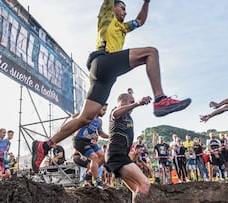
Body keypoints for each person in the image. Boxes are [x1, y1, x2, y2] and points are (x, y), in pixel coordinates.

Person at [31, 0, 191, 173]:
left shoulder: (123, 28)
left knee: (85, 118)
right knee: (151, 53)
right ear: (112, 7)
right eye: (122, 8)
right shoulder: (106, 16)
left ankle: (45, 146)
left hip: (104, 75)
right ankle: (160, 99)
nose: (125, 12)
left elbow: (140, 21)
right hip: (103, 61)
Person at [106, 93, 151, 201]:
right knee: (145, 184)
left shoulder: (128, 115)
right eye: (130, 102)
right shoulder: (116, 113)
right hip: (116, 155)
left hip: (122, 156)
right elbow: (116, 112)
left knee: (137, 188)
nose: (132, 106)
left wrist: (131, 95)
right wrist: (136, 103)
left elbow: (127, 102)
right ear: (122, 102)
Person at [72, 104, 109, 189]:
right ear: (97, 109)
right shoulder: (88, 115)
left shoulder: (99, 121)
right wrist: (80, 115)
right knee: (94, 157)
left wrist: (110, 136)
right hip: (80, 141)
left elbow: (100, 133)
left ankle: (89, 174)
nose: (105, 112)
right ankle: (98, 181)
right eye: (103, 110)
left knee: (103, 157)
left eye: (106, 110)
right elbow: (73, 117)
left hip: (90, 142)